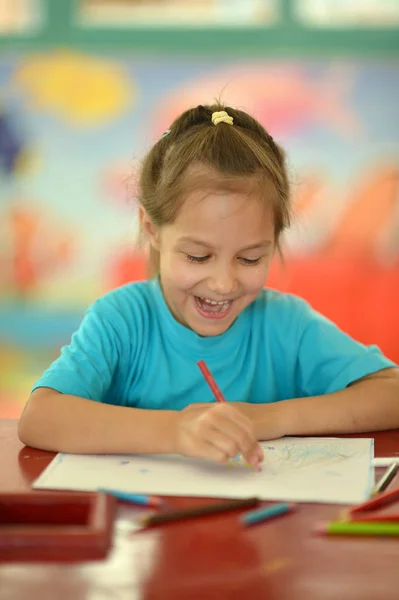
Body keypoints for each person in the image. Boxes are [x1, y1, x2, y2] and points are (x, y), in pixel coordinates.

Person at [18, 104, 399, 468]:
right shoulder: (122, 320)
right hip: (141, 526)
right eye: (198, 257)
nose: (223, 283)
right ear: (152, 229)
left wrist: (269, 418)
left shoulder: (285, 324)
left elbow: (391, 393)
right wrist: (175, 431)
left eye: (250, 258)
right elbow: (40, 418)